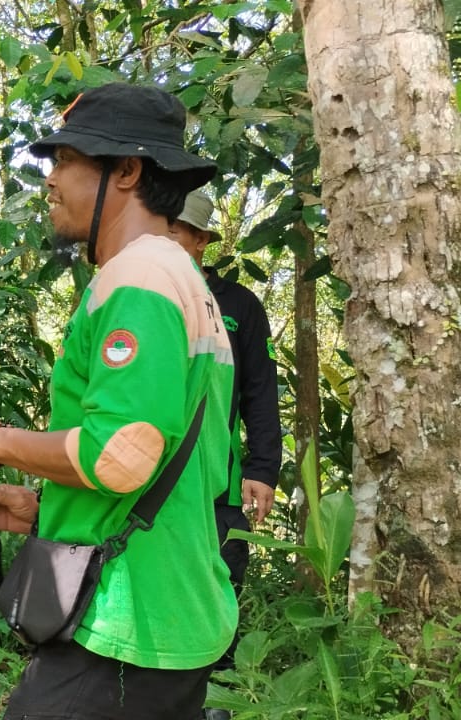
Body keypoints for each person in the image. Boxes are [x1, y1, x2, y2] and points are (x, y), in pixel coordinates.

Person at [0, 83, 236, 719]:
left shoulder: (140, 281)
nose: (50, 181)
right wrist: (45, 505)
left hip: (129, 623)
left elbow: (121, 457)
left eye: (65, 161)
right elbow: (159, 457)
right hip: (168, 605)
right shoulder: (180, 281)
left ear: (126, 171)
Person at [168, 191, 283, 720]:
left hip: (218, 487)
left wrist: (262, 469)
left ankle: (216, 701)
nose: (167, 242)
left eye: (179, 232)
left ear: (200, 241)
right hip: (149, 488)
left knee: (219, 590)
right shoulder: (140, 298)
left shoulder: (238, 306)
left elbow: (260, 392)